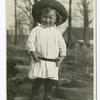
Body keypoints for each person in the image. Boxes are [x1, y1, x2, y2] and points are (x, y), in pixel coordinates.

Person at [26, 0, 68, 100]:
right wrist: (33, 53)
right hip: (39, 60)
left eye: (50, 18)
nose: (47, 20)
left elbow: (62, 46)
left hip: (52, 62)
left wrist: (61, 57)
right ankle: (35, 93)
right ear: (40, 17)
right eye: (45, 17)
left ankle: (48, 95)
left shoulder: (56, 33)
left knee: (51, 80)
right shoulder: (36, 30)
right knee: (38, 78)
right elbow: (30, 42)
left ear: (56, 19)